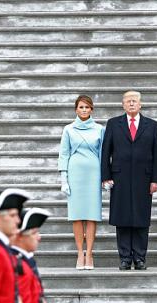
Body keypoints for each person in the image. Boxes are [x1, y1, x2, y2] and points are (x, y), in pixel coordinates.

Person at [101, 90, 157, 270]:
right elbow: (106, 152)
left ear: (140, 104)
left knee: (141, 218)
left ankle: (140, 257)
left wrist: (156, 180)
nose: (132, 104)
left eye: (134, 101)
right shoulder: (113, 124)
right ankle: (125, 258)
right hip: (120, 178)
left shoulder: (151, 125)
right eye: (128, 101)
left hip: (144, 178)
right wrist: (106, 177)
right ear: (123, 105)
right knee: (122, 218)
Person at [59, 95, 105, 270]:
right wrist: (64, 179)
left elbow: (103, 153)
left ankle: (90, 253)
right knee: (77, 216)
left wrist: (105, 177)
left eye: (87, 107)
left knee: (92, 215)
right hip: (75, 173)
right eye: (81, 107)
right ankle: (80, 253)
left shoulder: (100, 129)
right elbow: (64, 154)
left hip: (93, 174)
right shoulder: (68, 129)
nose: (84, 110)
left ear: (92, 109)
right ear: (76, 109)